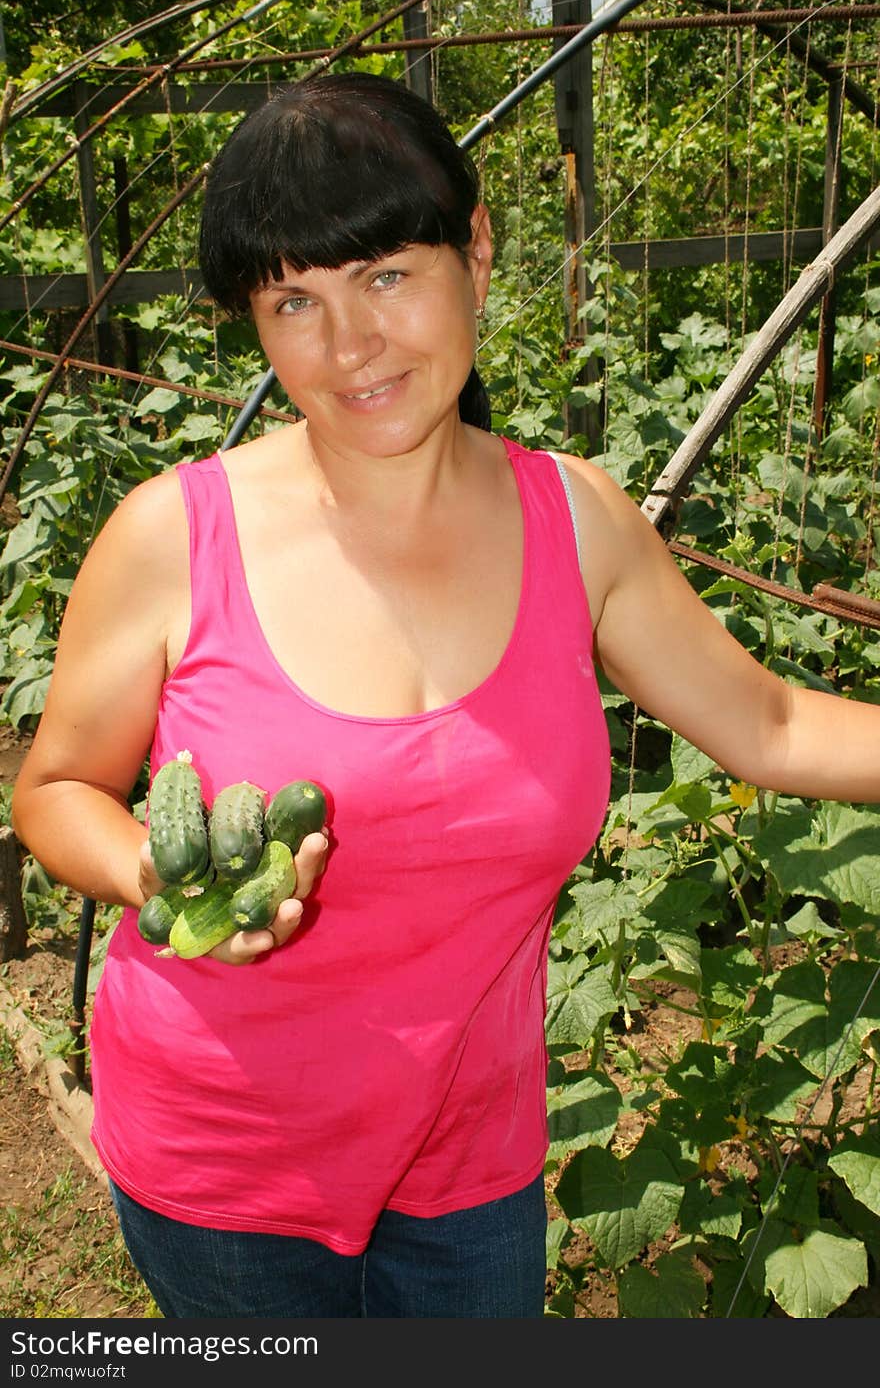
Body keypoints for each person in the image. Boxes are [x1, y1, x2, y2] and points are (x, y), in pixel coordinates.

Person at [9, 71, 880, 1321]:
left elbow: (773, 723)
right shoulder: (172, 536)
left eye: (385, 276)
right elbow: (57, 788)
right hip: (221, 1167)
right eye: (293, 300)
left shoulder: (574, 524)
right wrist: (156, 870)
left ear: (474, 247)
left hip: (471, 1167)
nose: (350, 345)